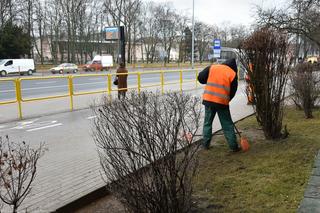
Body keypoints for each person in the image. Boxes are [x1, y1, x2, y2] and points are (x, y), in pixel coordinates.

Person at [197, 58, 240, 152]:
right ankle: (234, 147)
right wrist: (226, 100)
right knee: (227, 124)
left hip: (208, 100)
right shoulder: (232, 74)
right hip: (222, 102)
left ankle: (205, 145)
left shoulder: (213, 68)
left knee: (207, 123)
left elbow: (200, 78)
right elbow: (233, 91)